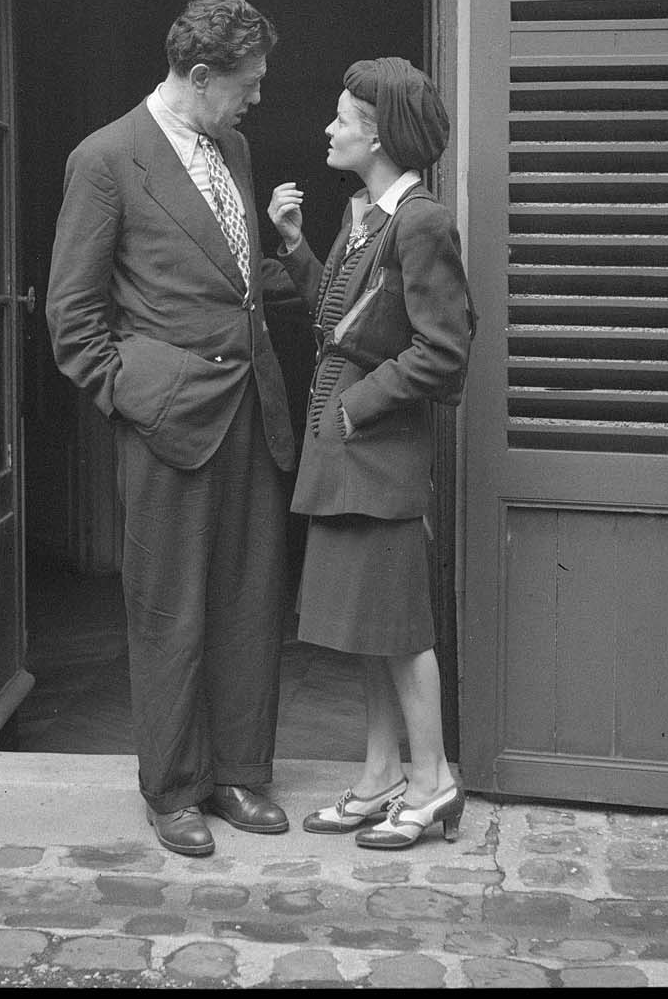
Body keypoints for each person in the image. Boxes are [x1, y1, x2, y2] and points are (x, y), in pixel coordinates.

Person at [46, 0, 297, 859]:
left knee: (247, 600)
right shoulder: (107, 159)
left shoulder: (233, 146)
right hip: (167, 422)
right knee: (169, 610)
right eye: (248, 83)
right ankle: (173, 788)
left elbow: (232, 274)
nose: (257, 98)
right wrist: (134, 394)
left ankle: (234, 773)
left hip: (250, 409)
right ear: (199, 75)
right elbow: (72, 317)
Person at [267, 57, 473, 849]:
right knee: (366, 623)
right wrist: (293, 249)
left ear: (379, 133)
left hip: (376, 446)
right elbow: (343, 321)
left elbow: (444, 351)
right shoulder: (365, 214)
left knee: (401, 627)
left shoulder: (420, 220)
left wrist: (356, 406)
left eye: (343, 117)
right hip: (346, 446)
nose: (328, 128)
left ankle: (433, 782)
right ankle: (382, 773)